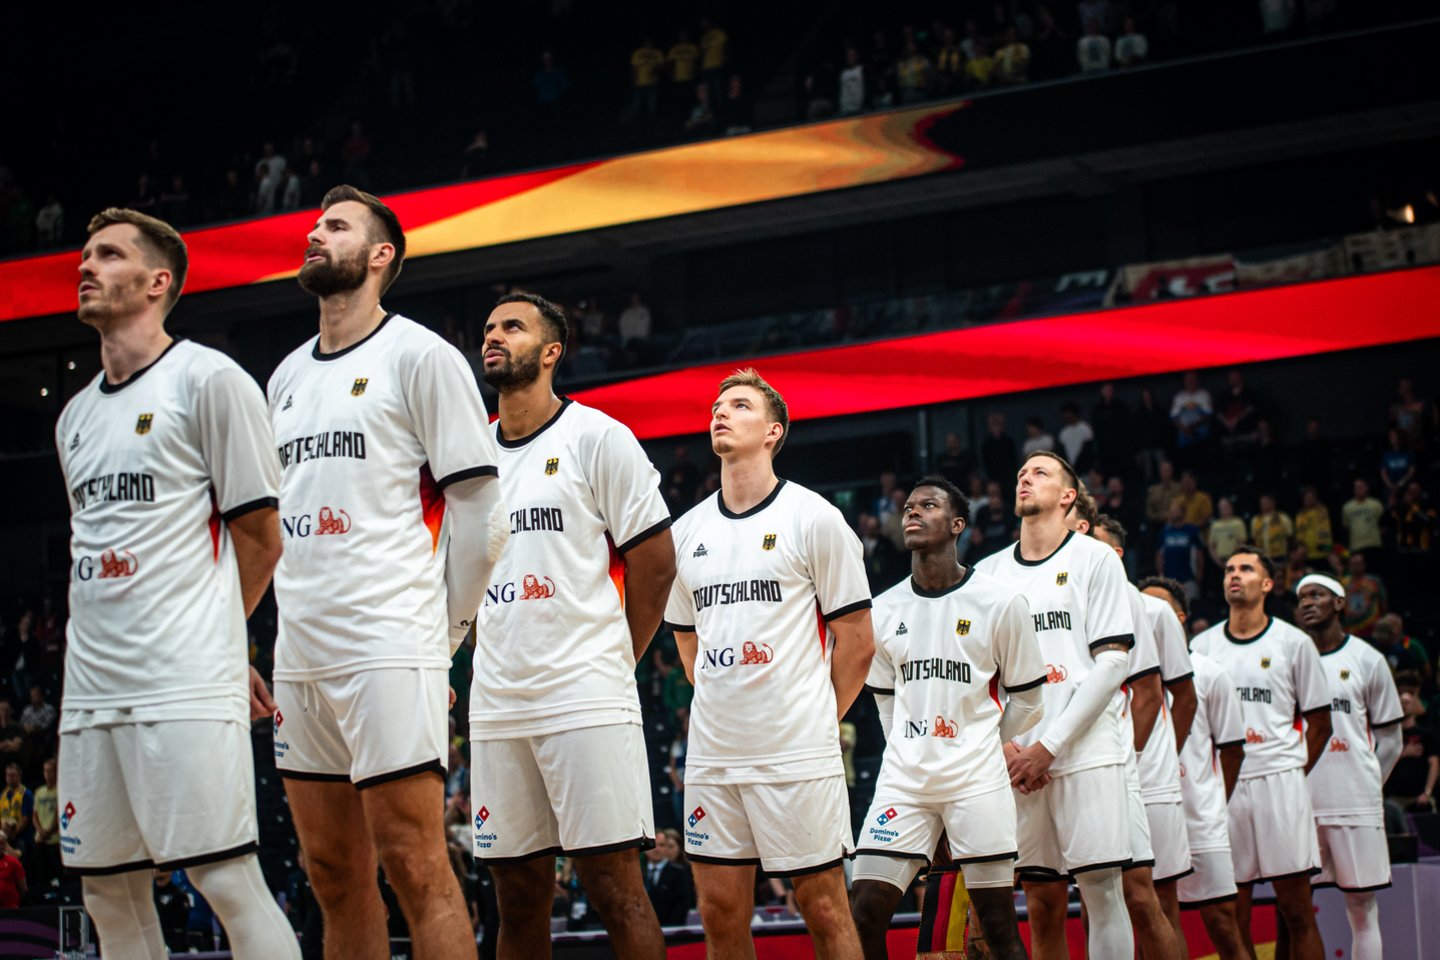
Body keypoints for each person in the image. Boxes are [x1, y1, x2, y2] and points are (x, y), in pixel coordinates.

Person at [269, 185, 505, 960]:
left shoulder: (422, 356)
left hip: (388, 639)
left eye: (335, 227)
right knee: (332, 875)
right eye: (314, 224)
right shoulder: (284, 377)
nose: (315, 234)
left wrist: (443, 638)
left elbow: (483, 517)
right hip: (300, 652)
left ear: (380, 255)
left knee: (415, 864)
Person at [55, 208, 297, 959]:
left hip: (182, 679)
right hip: (89, 690)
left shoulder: (210, 380)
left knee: (225, 878)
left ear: (158, 281)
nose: (86, 266)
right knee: (107, 892)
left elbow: (262, 537)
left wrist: (221, 643)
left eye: (108, 254)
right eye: (86, 254)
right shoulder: (72, 417)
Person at [470, 292, 675, 960]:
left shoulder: (598, 437)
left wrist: (618, 658)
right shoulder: (467, 455)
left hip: (585, 693)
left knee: (615, 890)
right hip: (498, 703)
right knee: (515, 899)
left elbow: (656, 564)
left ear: (551, 352)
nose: (494, 336)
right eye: (489, 327)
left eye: (513, 326)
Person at [664, 369, 875, 960]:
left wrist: (817, 715)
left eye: (739, 405)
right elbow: (686, 642)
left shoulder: (814, 518)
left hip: (795, 751)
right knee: (719, 911)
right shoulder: (686, 531)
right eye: (717, 405)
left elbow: (858, 641)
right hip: (714, 754)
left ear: (773, 431)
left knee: (824, 906)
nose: (720, 412)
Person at [850, 478, 1044, 960]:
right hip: (904, 783)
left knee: (998, 928)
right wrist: (910, 747)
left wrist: (978, 743)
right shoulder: (883, 608)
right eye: (909, 507)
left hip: (976, 782)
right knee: (864, 914)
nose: (912, 512)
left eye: (928, 505)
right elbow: (886, 703)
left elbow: (1030, 702)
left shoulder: (1001, 603)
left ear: (957, 524)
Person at [975, 451, 1137, 959]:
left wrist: (1048, 747)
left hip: (1085, 751)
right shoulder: (986, 573)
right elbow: (977, 677)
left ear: (1069, 495)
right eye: (1020, 473)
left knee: (1102, 892)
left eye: (1040, 472)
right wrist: (1006, 746)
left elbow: (1113, 663)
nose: (1025, 478)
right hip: (1016, 761)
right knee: (1041, 901)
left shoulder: (1096, 559)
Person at [1191, 547, 1331, 960]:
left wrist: (1293, 771)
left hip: (1279, 779)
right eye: (1229, 569)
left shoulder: (1294, 642)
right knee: (1233, 913)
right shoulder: (1202, 646)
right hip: (1224, 785)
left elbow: (1321, 723)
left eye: (1246, 569)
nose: (1234, 575)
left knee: (1297, 910)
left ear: (1268, 584)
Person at [1092, 516, 1197, 950]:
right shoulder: (1074, 605)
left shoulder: (1153, 610)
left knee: (1156, 900)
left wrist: (1154, 757)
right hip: (1095, 771)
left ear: (1116, 554)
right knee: (1101, 899)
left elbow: (1182, 698)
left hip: (1149, 776)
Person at [1140, 577, 1249, 960]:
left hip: (1199, 817)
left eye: (1158, 607)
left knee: (1223, 924)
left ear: (1179, 617)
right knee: (1152, 914)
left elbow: (1232, 752)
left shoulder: (1210, 673)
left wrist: (1214, 806)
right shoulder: (1125, 670)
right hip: (1151, 810)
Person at [1295, 573, 1402, 960]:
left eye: (1317, 595)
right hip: (1300, 804)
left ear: (1340, 603)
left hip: (1354, 801)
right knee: (1294, 910)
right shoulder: (1290, 657)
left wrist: (1368, 785)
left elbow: (1392, 739)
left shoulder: (1367, 659)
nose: (1308, 603)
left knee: (1361, 909)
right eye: (1302, 598)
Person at [642, 830, 693, 926]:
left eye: (661, 845)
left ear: (666, 848)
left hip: (670, 930)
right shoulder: (639, 873)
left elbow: (682, 904)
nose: (657, 849)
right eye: (653, 844)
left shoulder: (679, 872)